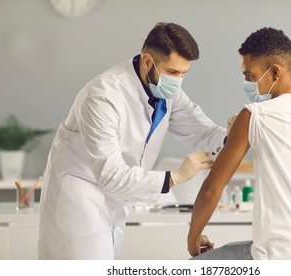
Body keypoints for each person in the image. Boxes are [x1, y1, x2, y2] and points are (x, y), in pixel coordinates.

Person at [38, 22, 231, 260]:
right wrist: (176, 177)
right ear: (148, 61)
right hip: (80, 202)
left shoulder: (167, 92)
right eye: (172, 72)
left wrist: (231, 135)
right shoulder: (103, 95)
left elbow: (201, 131)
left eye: (184, 74)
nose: (178, 81)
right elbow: (110, 175)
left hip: (114, 204)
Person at [187, 27, 291, 260]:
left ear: (275, 72)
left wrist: (193, 239)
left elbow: (211, 190)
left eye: (250, 76)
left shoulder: (254, 115)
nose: (246, 83)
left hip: (278, 259)